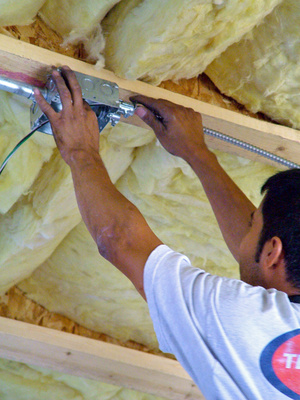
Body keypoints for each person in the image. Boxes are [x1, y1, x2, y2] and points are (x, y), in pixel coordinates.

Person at [34, 66, 300, 400]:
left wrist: (80, 150)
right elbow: (255, 252)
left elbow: (121, 240)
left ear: (274, 253)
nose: (245, 228)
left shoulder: (246, 321)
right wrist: (196, 152)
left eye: (253, 222)